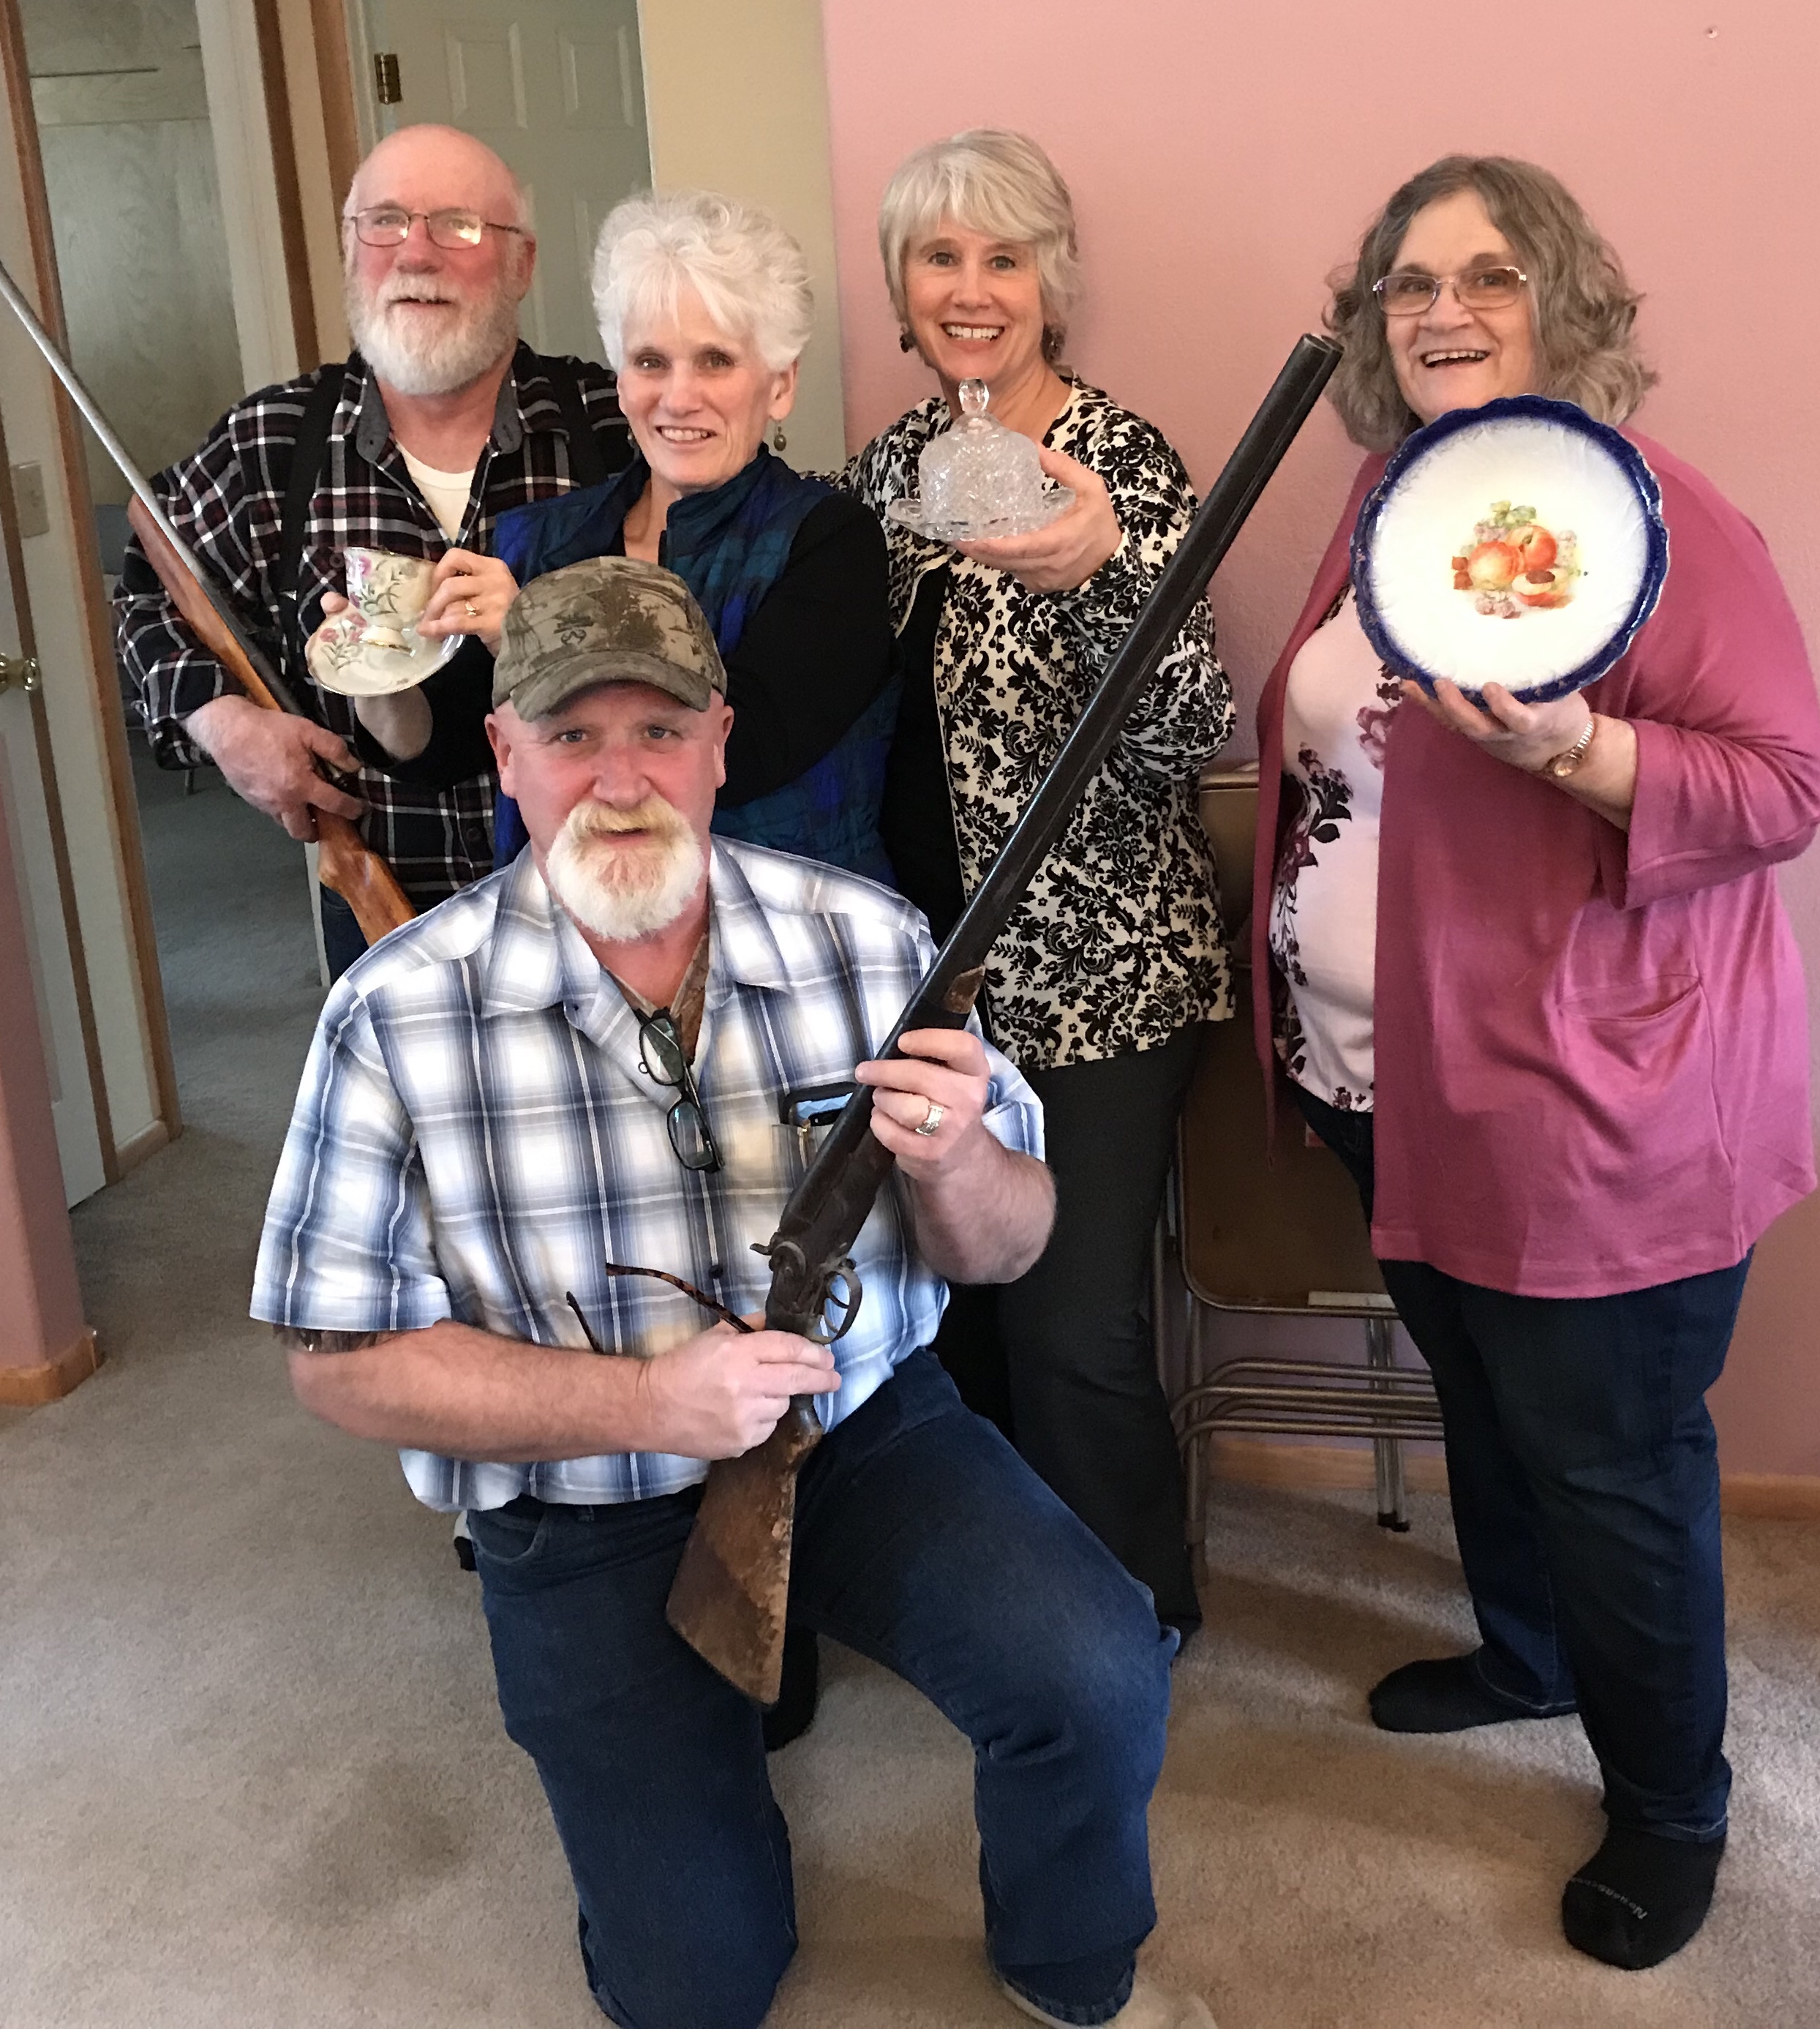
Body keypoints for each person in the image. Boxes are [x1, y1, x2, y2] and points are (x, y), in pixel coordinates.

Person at [253, 558, 1213, 2029]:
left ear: (719, 742)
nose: (619, 775)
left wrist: (959, 1163)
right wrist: (644, 1399)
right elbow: (337, 1357)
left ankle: (1069, 1959)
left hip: (865, 1437)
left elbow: (1012, 1247)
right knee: (692, 1988)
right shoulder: (392, 1011)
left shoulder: (872, 940)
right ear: (504, 753)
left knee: (1097, 1670)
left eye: (659, 729)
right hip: (580, 1499)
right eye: (572, 735)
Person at [1252, 154, 1820, 1970]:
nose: (1442, 311)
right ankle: (1530, 1654)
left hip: (1596, 1108)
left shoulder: (1656, 519)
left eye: (1487, 276)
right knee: (1488, 1405)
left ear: (1562, 301)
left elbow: (1783, 788)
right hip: (1394, 1085)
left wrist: (1581, 753)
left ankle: (1670, 1803)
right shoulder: (1392, 496)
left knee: (1607, 1459)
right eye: (1409, 283)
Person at [843, 130, 1230, 1638]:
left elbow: (1194, 727)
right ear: (902, 288)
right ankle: (1009, 1609)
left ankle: (1132, 1618)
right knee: (952, 1317)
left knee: (1071, 1326)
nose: (971, 288)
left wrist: (1105, 577)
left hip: (1102, 972)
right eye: (940, 257)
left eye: (1003, 258)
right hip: (931, 979)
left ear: (1051, 283)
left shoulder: (1119, 461)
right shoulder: (882, 476)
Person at [114, 123, 631, 977]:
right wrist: (225, 725)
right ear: (351, 250)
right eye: (385, 222)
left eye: (457, 225)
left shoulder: (614, 426)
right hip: (382, 911)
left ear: (522, 264)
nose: (415, 254)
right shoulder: (271, 443)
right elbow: (146, 596)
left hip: (614, 903)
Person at [357, 188, 898, 883]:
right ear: (619, 381)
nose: (679, 397)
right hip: (571, 931)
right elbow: (447, 747)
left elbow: (743, 749)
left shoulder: (830, 541)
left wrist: (537, 636)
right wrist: (379, 673)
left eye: (715, 360)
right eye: (650, 362)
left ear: (780, 385)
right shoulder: (541, 540)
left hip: (782, 930)